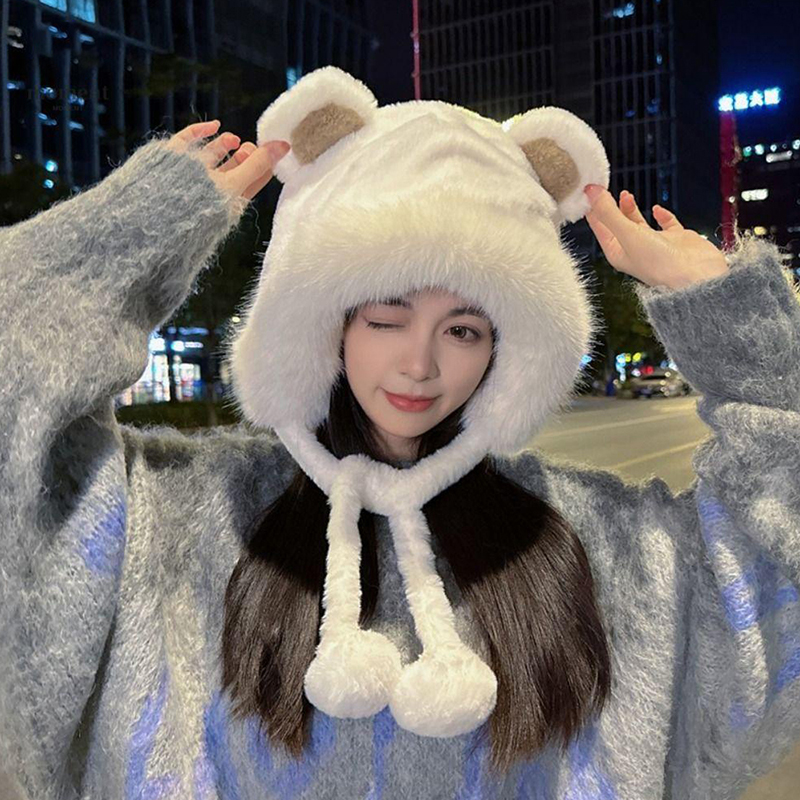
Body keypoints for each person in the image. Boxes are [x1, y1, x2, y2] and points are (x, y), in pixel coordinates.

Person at [1, 65, 799, 800]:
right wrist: (122, 241)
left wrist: (735, 326)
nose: (420, 364)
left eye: (464, 331)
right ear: (327, 321)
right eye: (387, 317)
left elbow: (775, 578)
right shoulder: (175, 521)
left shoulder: (594, 541)